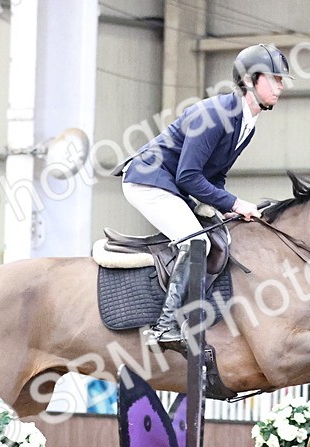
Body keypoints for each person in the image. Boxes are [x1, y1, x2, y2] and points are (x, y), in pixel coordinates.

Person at [117, 43, 291, 349]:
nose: (281, 86)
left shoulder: (247, 125)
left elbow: (214, 175)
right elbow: (188, 176)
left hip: (173, 185)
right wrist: (234, 202)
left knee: (220, 233)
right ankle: (165, 326)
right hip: (148, 180)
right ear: (250, 79)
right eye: (274, 78)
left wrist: (225, 208)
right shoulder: (214, 114)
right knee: (196, 241)